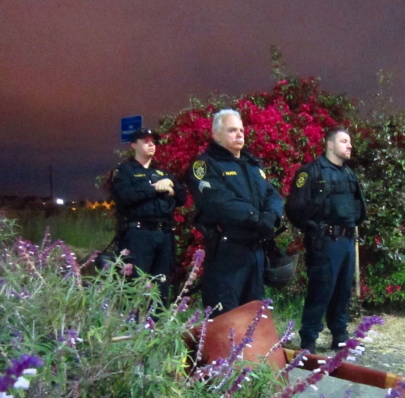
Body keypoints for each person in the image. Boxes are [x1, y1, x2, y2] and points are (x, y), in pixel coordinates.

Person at [188, 109, 284, 316]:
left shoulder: (252, 165)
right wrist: (255, 218)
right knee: (225, 316)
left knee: (253, 316)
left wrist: (271, 216)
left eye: (241, 130)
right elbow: (218, 200)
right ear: (216, 135)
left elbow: (273, 195)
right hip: (227, 251)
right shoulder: (206, 164)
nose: (239, 134)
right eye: (232, 130)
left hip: (255, 250)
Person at [286, 127, 367, 353]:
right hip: (325, 241)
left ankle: (340, 336)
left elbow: (358, 206)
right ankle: (309, 340)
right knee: (321, 290)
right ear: (330, 145)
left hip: (347, 241)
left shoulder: (348, 173)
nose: (349, 145)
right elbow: (295, 208)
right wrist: (313, 229)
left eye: (349, 142)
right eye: (344, 141)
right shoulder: (312, 171)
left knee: (343, 291)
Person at [111, 127, 187, 306]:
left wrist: (170, 184)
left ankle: (158, 321)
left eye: (153, 142)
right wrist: (154, 189)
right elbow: (125, 197)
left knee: (162, 285)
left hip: (163, 235)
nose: (151, 145)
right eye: (146, 141)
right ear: (134, 145)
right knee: (135, 284)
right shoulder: (125, 171)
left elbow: (182, 198)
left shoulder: (162, 173)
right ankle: (134, 320)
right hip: (139, 235)